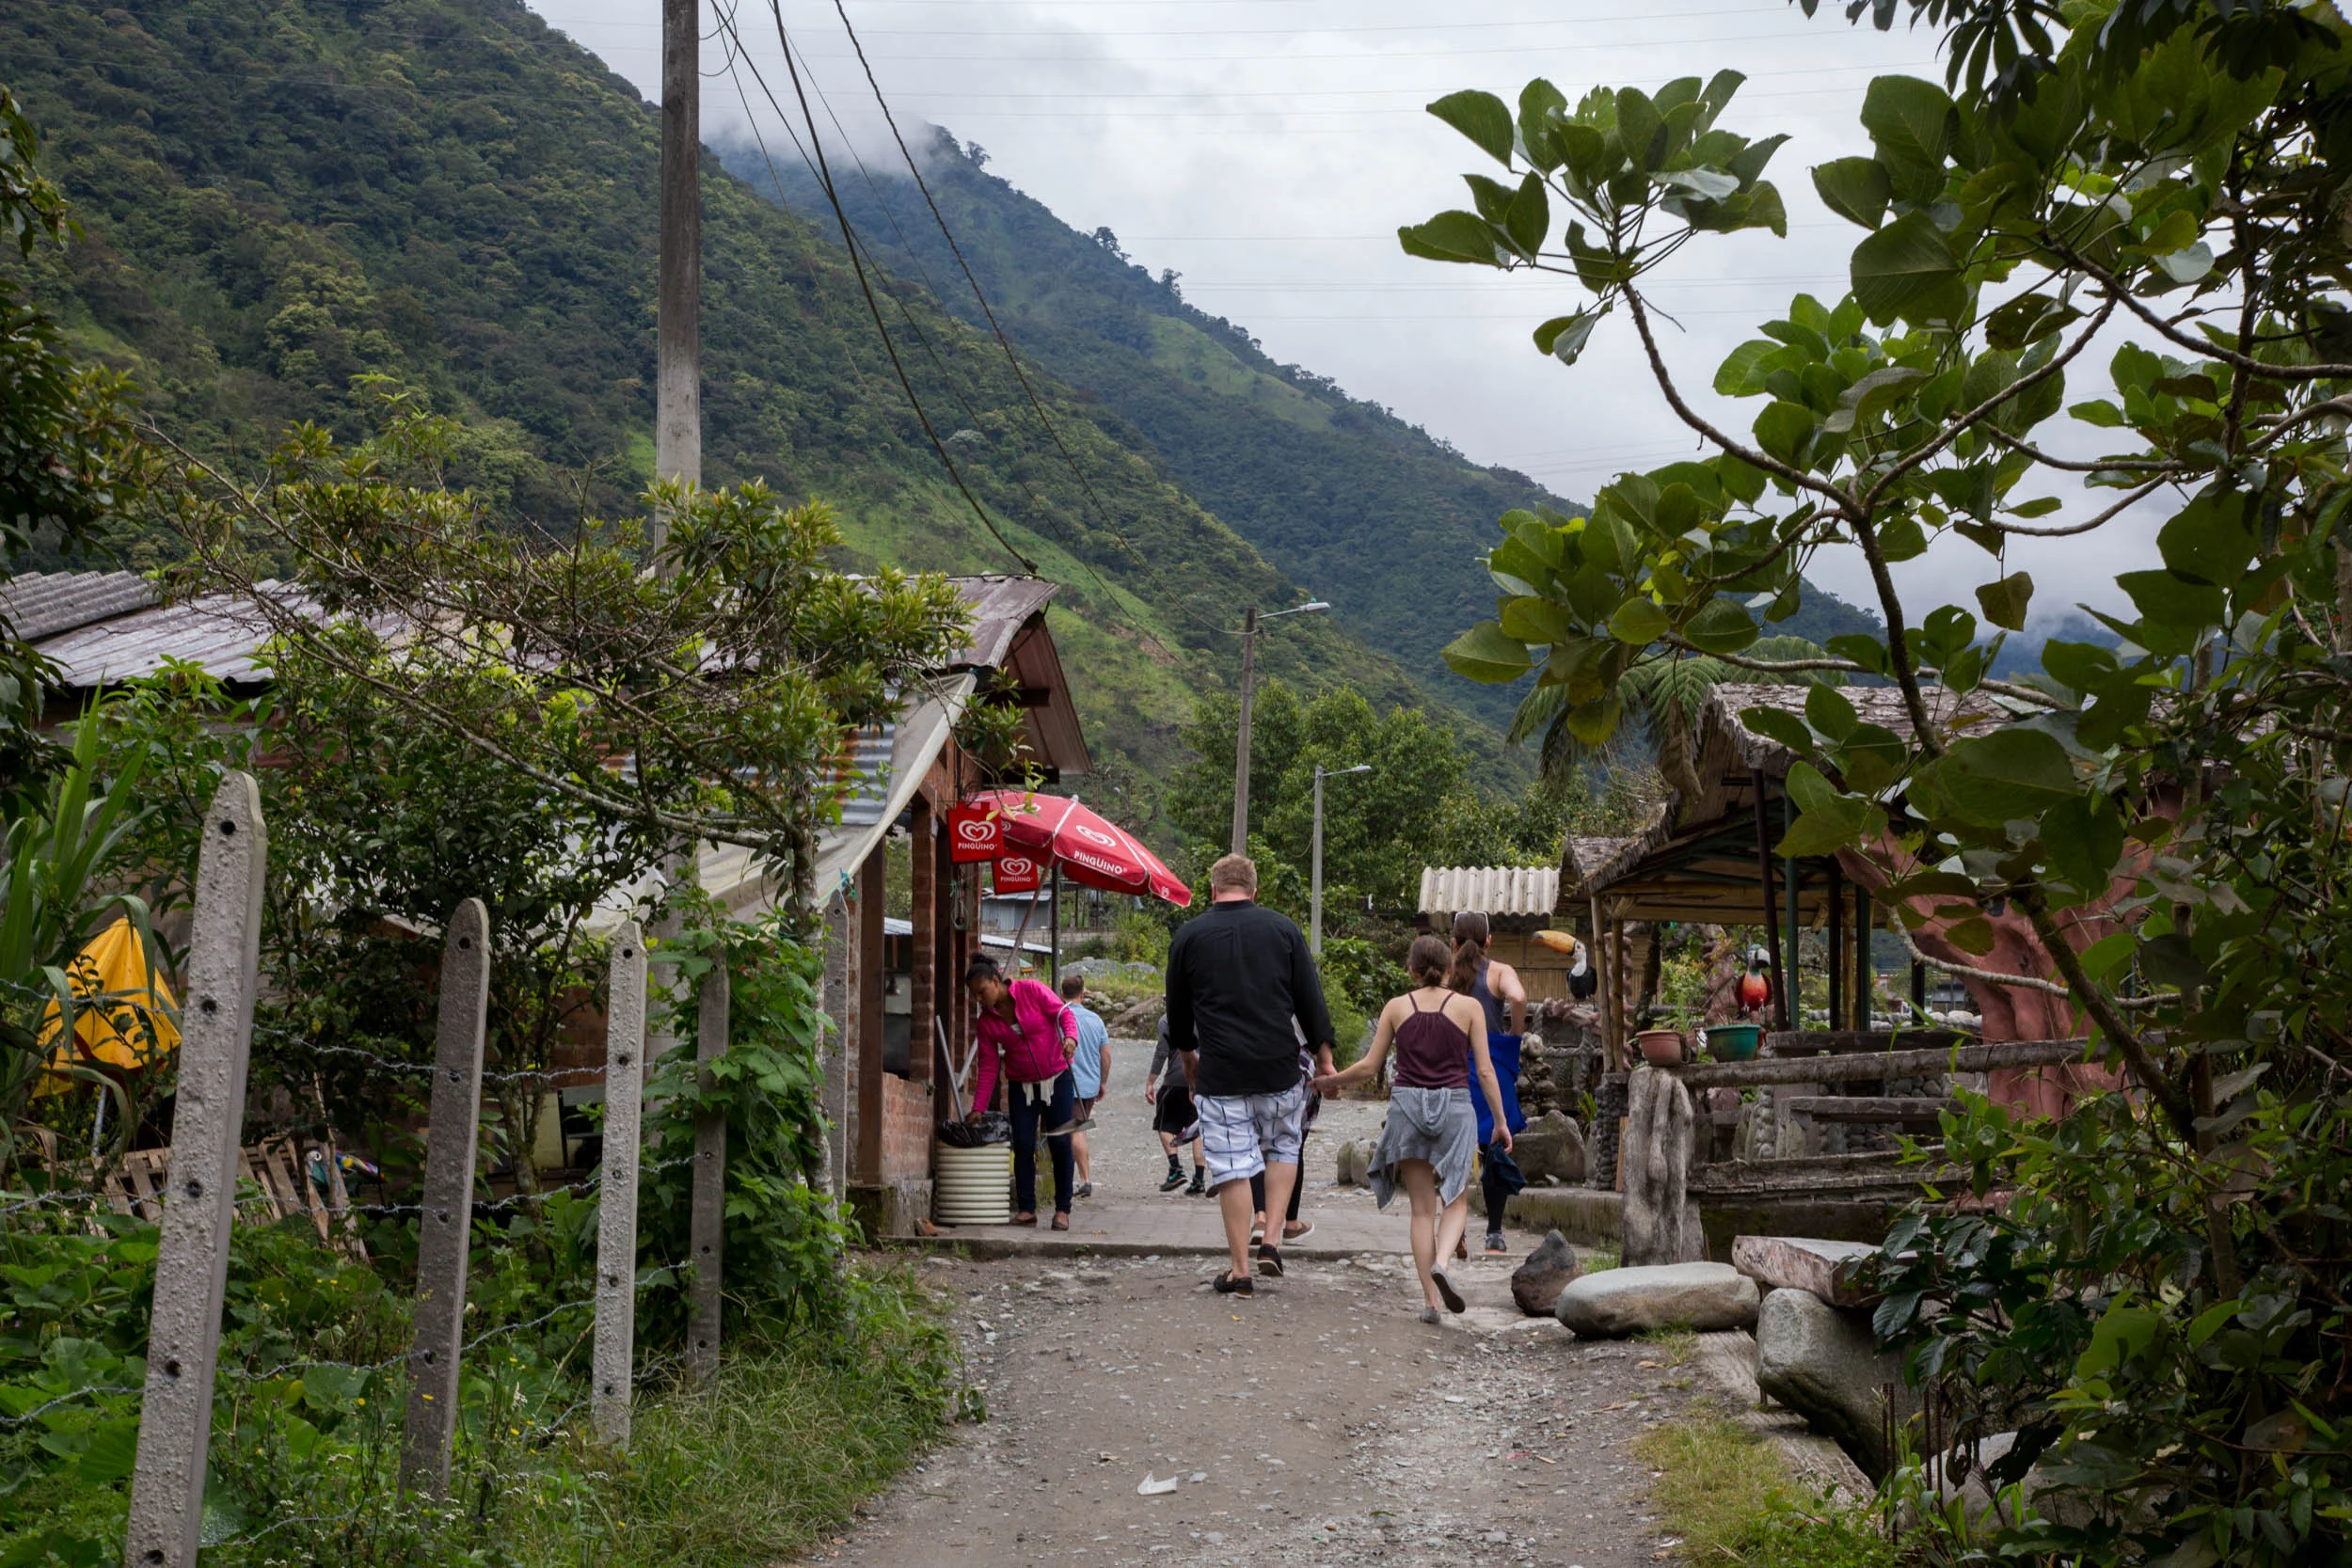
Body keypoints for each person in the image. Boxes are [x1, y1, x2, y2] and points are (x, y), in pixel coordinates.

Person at [1314, 933, 1512, 1322]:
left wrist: (1328, 1080)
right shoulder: (1469, 1007)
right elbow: (1485, 1071)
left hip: (1407, 1108)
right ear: (1451, 970)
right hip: (1455, 1108)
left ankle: (1430, 1303)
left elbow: (1371, 1067)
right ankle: (1443, 1262)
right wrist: (1501, 1122)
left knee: (1421, 1212)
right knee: (1454, 1200)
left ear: (1412, 970)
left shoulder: (1396, 1007)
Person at [1165, 853, 1335, 1295]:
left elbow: (1177, 1012)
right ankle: (1273, 1242)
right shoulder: (1283, 930)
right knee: (1283, 1147)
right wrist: (1325, 1056)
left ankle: (1239, 1270)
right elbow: (1309, 998)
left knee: (1233, 1168)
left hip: (1220, 1072)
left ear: (1213, 889)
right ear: (1255, 891)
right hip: (1279, 1067)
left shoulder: (1189, 936)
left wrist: (1187, 1055)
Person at [965, 956, 1080, 1230]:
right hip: (1022, 1085)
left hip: (1058, 1077)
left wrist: (1070, 1038)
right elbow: (989, 1067)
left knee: (1061, 1143)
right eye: (975, 996)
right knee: (1024, 1145)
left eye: (982, 992)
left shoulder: (1031, 990)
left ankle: (1063, 1209)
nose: (979, 1000)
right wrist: (978, 1107)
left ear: (996, 981)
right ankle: (1027, 1209)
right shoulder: (986, 1024)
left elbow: (1064, 1013)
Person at [1454, 911, 1529, 1256]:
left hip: (1454, 1066)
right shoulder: (1500, 971)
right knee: (1494, 1148)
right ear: (1489, 941)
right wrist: (1514, 1034)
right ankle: (1495, 1233)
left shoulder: (1445, 973)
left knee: (1452, 1150)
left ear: (1452, 943)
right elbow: (1518, 997)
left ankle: (1455, 1233)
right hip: (1492, 1067)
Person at [1059, 973, 1111, 1199]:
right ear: (1083, 993)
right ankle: (1075, 1177)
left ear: (1062, 993)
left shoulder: (1060, 1017)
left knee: (1074, 1130)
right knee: (1077, 1129)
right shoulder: (1096, 1020)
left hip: (1066, 1083)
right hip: (1089, 1085)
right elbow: (1106, 1055)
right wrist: (1102, 1082)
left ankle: (1084, 1180)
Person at [1144, 1016, 1205, 1196]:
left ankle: (1176, 1168)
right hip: (1202, 1080)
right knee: (1198, 1129)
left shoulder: (1166, 1020)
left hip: (1177, 1080)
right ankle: (1199, 1180)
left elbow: (1161, 1052)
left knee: (1164, 1125)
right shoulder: (1205, 1013)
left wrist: (1150, 1082)